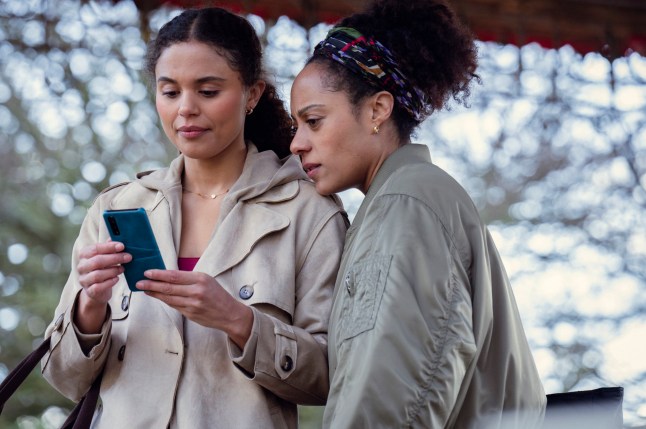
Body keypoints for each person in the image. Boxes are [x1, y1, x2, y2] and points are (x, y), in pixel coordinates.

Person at [41, 7, 347, 428]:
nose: (185, 109)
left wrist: (238, 320)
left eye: (207, 92)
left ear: (252, 94)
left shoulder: (310, 214)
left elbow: (331, 377)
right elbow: (64, 377)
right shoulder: (115, 208)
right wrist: (90, 307)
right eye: (169, 92)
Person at [289, 0, 546, 427]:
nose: (297, 143)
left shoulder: (405, 206)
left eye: (313, 121)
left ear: (377, 109)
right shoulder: (410, 198)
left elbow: (391, 400)